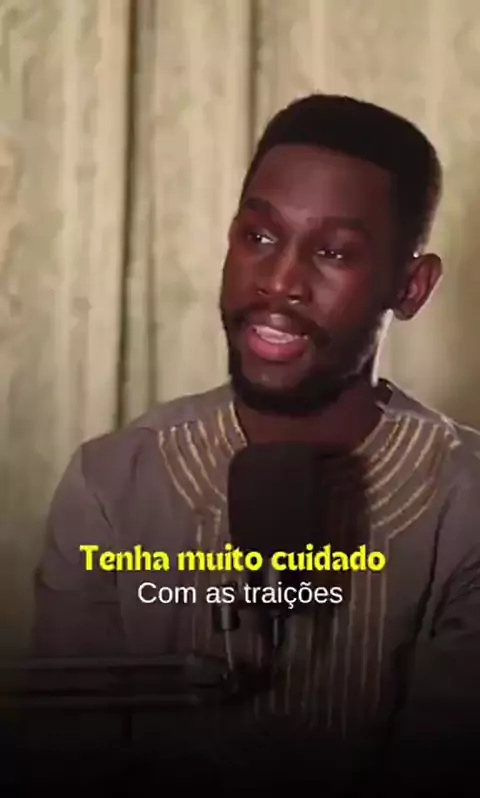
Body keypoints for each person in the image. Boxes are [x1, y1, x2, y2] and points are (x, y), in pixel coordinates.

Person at [31, 95, 480, 790]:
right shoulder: (112, 484)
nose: (279, 281)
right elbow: (66, 758)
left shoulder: (465, 505)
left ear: (412, 286)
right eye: (260, 237)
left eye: (334, 253)